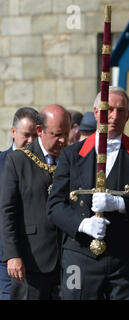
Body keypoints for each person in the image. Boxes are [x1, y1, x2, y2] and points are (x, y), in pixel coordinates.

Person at [47, 87, 129, 300]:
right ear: (95, 112)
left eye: (121, 111)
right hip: (80, 255)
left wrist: (119, 203)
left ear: (128, 115)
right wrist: (82, 225)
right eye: (108, 109)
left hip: (125, 257)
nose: (114, 116)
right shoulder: (71, 155)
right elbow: (54, 205)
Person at [0, 104, 71, 300]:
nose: (63, 140)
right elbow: (7, 211)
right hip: (31, 260)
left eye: (66, 133)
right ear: (40, 131)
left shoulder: (72, 158)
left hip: (68, 261)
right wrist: (12, 255)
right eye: (57, 134)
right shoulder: (18, 160)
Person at [0, 106, 39, 300]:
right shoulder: (1, 163)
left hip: (39, 258)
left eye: (35, 136)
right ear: (13, 132)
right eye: (26, 135)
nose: (30, 141)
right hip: (5, 259)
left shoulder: (46, 165)